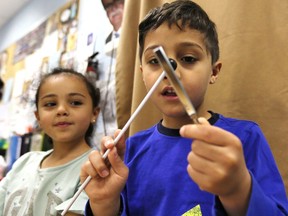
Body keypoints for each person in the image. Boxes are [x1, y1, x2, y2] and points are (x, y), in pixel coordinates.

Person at [81, 1, 288, 215]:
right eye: (155, 61)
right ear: (142, 73)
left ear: (214, 72)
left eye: (188, 58)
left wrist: (239, 190)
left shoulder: (245, 138)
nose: (170, 73)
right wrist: (104, 205)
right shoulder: (129, 151)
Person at [0, 68, 100, 215]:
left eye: (75, 102)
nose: (61, 110)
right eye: (50, 104)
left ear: (94, 113)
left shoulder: (96, 166)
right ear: (38, 117)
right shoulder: (25, 162)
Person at [94, 0, 125, 141]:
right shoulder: (106, 50)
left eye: (118, 2)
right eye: (108, 7)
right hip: (111, 127)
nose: (113, 10)